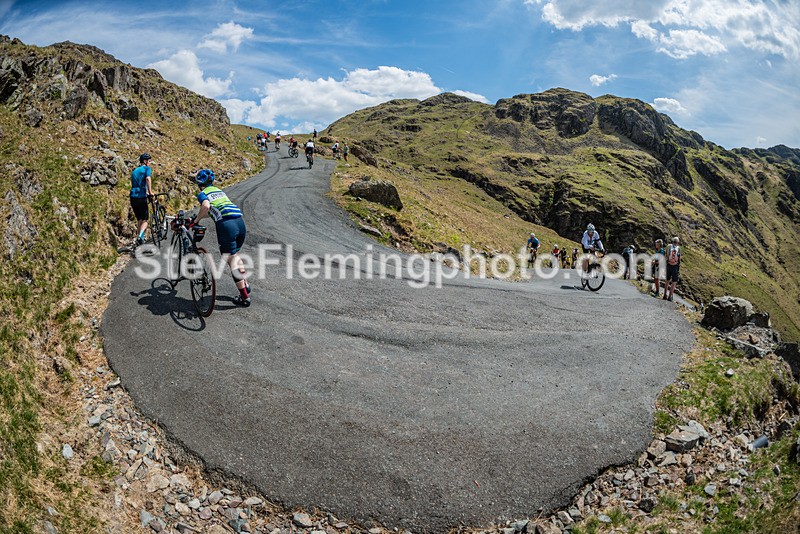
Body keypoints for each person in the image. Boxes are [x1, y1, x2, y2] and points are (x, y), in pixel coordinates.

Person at [191, 169, 251, 307]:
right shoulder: (219, 191)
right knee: (235, 256)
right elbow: (213, 211)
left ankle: (244, 297)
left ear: (199, 184)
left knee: (231, 260)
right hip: (239, 222)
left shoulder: (203, 193)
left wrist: (196, 221)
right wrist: (198, 217)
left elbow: (206, 206)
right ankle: (245, 285)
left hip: (227, 225)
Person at [130, 153, 154, 246]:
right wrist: (150, 192)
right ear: (145, 161)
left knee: (139, 219)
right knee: (145, 220)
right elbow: (148, 179)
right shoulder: (147, 169)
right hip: (141, 196)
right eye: (149, 161)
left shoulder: (135, 171)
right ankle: (140, 236)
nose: (150, 163)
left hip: (133, 196)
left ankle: (138, 239)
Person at [664, 236, 681, 302]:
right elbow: (679, 258)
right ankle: (670, 296)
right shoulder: (678, 248)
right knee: (674, 282)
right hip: (675, 266)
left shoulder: (669, 246)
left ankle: (665, 295)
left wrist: (667, 262)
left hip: (668, 265)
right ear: (678, 242)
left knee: (667, 280)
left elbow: (666, 255)